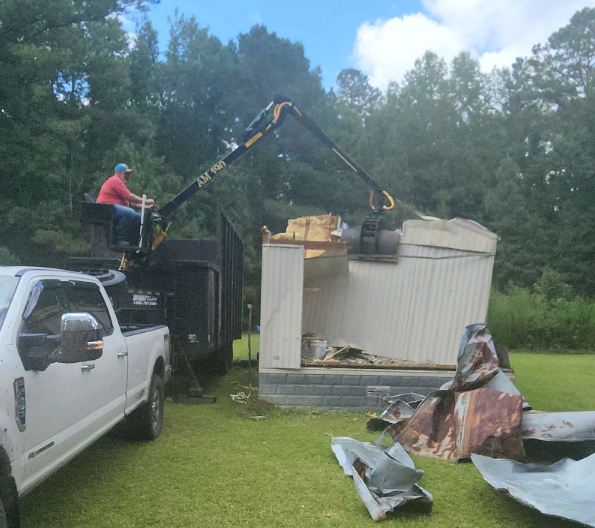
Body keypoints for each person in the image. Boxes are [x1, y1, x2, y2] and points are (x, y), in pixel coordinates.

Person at [96, 163, 155, 246]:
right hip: (106, 208)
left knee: (140, 218)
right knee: (129, 212)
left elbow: (131, 203)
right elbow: (129, 196)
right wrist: (146, 201)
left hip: (114, 208)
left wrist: (147, 207)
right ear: (120, 173)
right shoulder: (115, 180)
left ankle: (134, 242)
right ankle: (121, 239)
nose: (128, 176)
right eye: (126, 173)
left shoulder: (120, 183)